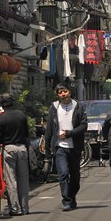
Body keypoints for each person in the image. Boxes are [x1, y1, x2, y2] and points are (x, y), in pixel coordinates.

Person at [43, 83, 87, 211]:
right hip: (59, 147)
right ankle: (66, 200)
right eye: (60, 92)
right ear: (57, 95)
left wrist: (69, 133)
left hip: (75, 147)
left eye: (65, 91)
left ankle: (72, 196)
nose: (63, 94)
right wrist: (47, 151)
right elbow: (49, 130)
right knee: (63, 174)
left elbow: (84, 125)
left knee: (75, 177)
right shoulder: (54, 107)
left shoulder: (78, 106)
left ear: (70, 92)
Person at [0, 93, 30, 216]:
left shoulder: (1, 118)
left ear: (2, 104)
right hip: (22, 148)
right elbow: (26, 133)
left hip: (9, 148)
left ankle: (15, 209)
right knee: (23, 180)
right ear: (13, 102)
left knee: (11, 180)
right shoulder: (21, 115)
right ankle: (25, 208)